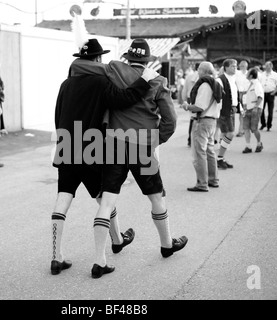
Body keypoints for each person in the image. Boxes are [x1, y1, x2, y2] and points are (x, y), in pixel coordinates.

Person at [71, 38, 187, 278]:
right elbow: (170, 121)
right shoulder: (157, 80)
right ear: (147, 59)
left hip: (113, 143)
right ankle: (166, 245)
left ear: (127, 56)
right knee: (156, 197)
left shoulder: (112, 69)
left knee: (107, 202)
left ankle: (99, 259)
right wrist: (156, 140)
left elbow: (82, 67)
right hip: (142, 146)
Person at [51, 38, 158, 277]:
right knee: (104, 200)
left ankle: (56, 257)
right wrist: (144, 81)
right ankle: (105, 254)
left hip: (66, 146)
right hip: (91, 148)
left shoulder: (65, 84)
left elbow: (58, 116)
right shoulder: (101, 81)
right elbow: (123, 100)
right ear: (98, 59)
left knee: (63, 199)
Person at [182, 61, 222, 192]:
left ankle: (202, 183)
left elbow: (200, 106)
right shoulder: (216, 83)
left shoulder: (205, 85)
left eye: (199, 69)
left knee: (200, 153)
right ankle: (213, 179)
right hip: (212, 120)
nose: (197, 72)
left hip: (203, 121)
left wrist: (187, 106)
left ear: (204, 71)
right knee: (210, 151)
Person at [216, 59, 239, 169]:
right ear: (226, 67)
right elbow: (217, 96)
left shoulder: (233, 79)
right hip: (224, 111)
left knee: (225, 133)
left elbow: (234, 95)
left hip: (231, 110)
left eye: (236, 66)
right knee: (230, 133)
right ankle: (219, 158)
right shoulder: (220, 80)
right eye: (233, 66)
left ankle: (221, 158)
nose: (235, 68)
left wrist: (238, 107)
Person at [241, 68, 264, 154]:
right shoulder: (249, 84)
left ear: (251, 75)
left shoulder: (257, 84)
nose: (246, 74)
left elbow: (260, 97)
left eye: (248, 73)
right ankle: (248, 146)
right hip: (247, 109)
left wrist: (256, 107)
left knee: (254, 128)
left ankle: (259, 144)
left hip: (254, 109)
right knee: (246, 128)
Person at [259, 61, 277, 131]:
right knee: (261, 110)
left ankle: (269, 125)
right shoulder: (261, 74)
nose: (266, 68)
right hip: (262, 94)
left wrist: (274, 92)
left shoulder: (275, 75)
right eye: (266, 66)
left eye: (268, 66)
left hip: (271, 94)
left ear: (271, 66)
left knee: (270, 111)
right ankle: (263, 124)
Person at [182, 63, 200, 147]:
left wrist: (184, 99)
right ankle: (194, 139)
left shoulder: (189, 76)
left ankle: (190, 139)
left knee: (192, 118)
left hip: (190, 97)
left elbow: (185, 88)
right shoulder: (201, 76)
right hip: (198, 97)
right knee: (198, 118)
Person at [235, 60, 250, 137]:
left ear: (246, 66)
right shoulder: (236, 73)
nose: (241, 67)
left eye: (243, 66)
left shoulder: (249, 74)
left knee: (243, 113)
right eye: (240, 66)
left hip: (246, 94)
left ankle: (242, 130)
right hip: (238, 94)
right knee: (240, 113)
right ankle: (242, 129)